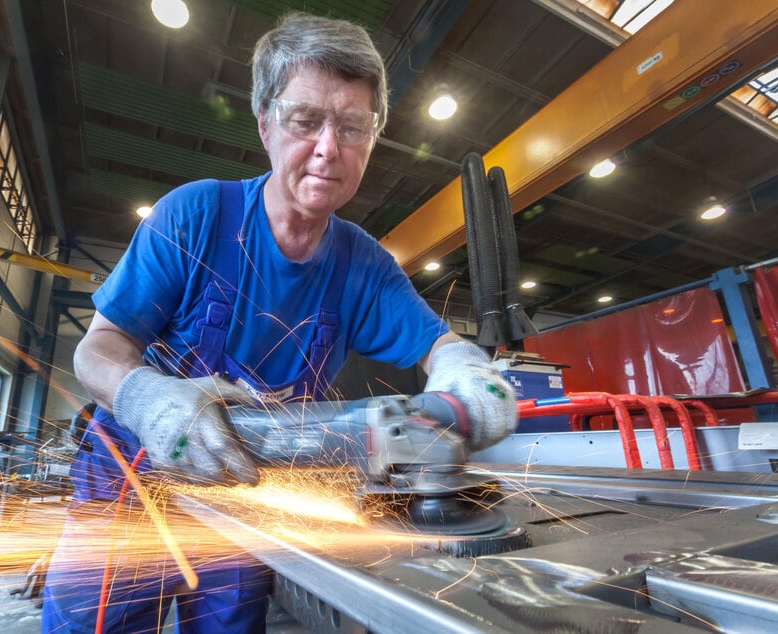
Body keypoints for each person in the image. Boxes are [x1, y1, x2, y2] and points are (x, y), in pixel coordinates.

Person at [41, 11, 517, 633]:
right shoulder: (195, 216)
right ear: (265, 123)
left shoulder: (363, 265)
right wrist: (150, 400)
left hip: (250, 491)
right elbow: (98, 349)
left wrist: (469, 373)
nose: (328, 148)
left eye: (352, 127)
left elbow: (440, 347)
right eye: (305, 121)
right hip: (130, 483)